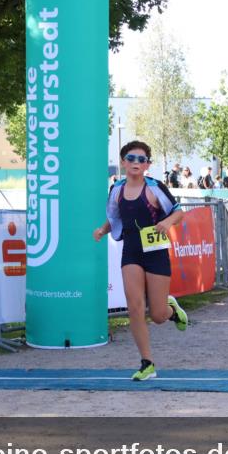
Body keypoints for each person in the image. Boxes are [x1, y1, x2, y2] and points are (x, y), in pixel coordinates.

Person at [93, 140, 190, 381]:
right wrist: (102, 230)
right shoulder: (116, 189)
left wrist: (167, 222)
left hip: (156, 253)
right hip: (132, 253)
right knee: (134, 308)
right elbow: (115, 219)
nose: (136, 163)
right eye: (131, 158)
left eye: (142, 159)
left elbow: (178, 212)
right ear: (123, 162)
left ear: (148, 165)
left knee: (157, 315)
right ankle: (147, 363)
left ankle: (171, 309)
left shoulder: (155, 187)